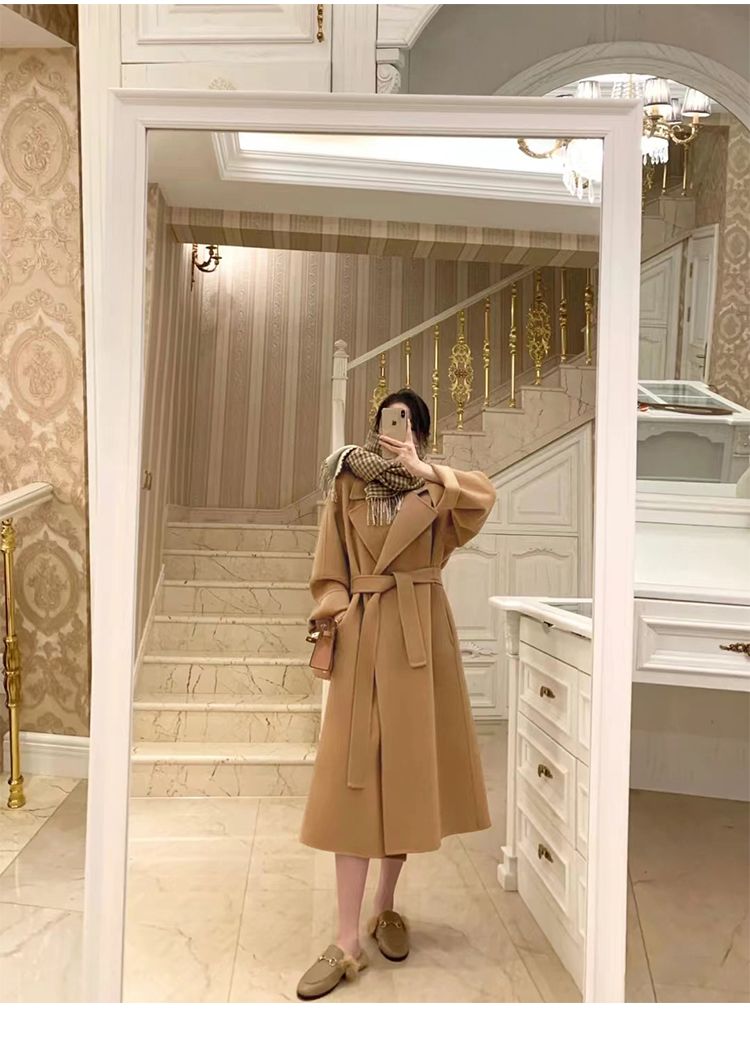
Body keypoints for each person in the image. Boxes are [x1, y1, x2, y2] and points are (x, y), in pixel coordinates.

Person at [296, 388, 496, 1001]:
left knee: (404, 778)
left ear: (422, 435)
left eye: (408, 424)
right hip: (364, 633)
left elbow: (484, 497)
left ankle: (385, 906)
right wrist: (337, 611)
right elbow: (329, 564)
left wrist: (423, 470)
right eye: (389, 420)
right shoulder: (347, 481)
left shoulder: (437, 491)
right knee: (352, 783)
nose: (395, 430)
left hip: (419, 641)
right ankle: (345, 940)